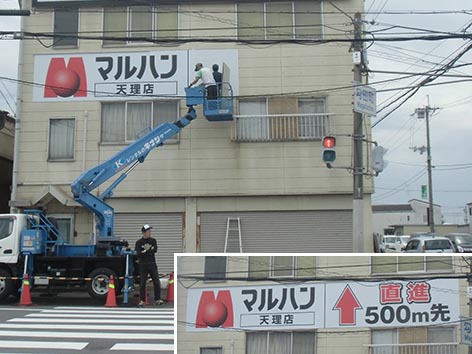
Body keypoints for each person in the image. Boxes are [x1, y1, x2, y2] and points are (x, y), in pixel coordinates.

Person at [135, 224, 164, 306]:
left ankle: (158, 299)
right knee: (142, 283)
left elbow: (155, 250)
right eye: (148, 231)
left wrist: (145, 252)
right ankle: (142, 300)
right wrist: (148, 252)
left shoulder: (153, 241)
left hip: (152, 263)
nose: (149, 233)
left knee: (156, 281)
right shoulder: (139, 242)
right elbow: (139, 253)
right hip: (143, 265)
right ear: (144, 233)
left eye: (150, 231)